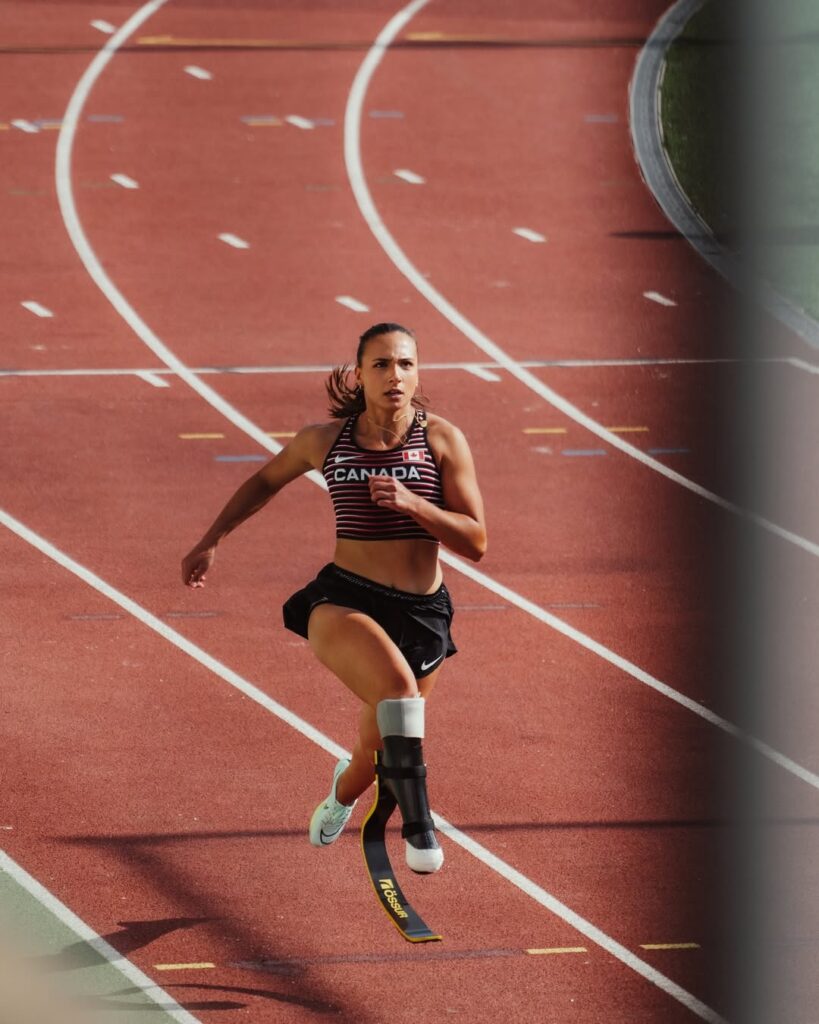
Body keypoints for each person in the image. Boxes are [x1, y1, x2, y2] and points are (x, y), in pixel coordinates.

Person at [181, 322, 487, 874]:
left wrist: (416, 505)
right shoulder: (324, 441)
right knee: (399, 696)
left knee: (379, 746)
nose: (395, 375)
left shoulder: (442, 440)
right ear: (359, 374)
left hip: (422, 613)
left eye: (406, 364)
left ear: (418, 373)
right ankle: (420, 827)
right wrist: (211, 541)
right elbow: (265, 481)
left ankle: (341, 795)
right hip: (346, 599)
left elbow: (476, 541)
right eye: (381, 364)